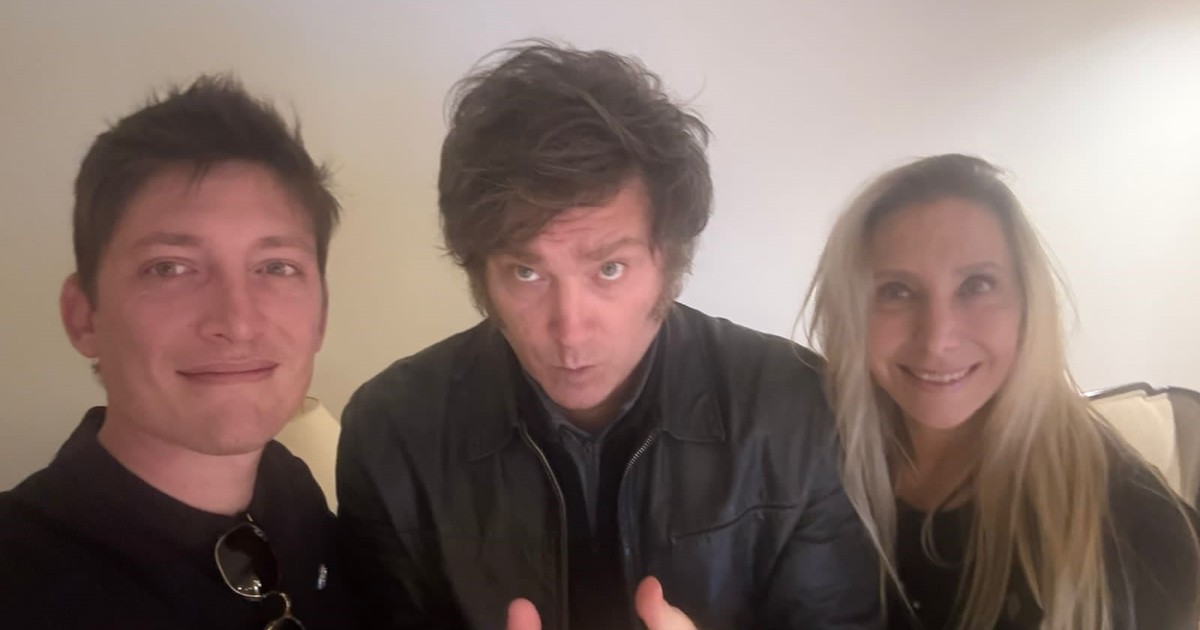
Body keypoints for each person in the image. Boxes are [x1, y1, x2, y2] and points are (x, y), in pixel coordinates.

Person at [336, 40, 880, 630]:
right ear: (481, 274)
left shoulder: (797, 410)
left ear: (670, 262)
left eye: (609, 268)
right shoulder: (392, 431)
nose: (570, 329)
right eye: (526, 272)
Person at [0, 75, 356, 629]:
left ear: (322, 315)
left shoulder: (292, 490)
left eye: (276, 267)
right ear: (83, 315)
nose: (237, 322)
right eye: (169, 268)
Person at [804, 153, 1200, 629]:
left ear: (1028, 304)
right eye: (896, 291)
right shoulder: (804, 462)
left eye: (977, 285)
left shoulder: (1133, 525)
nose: (937, 339)